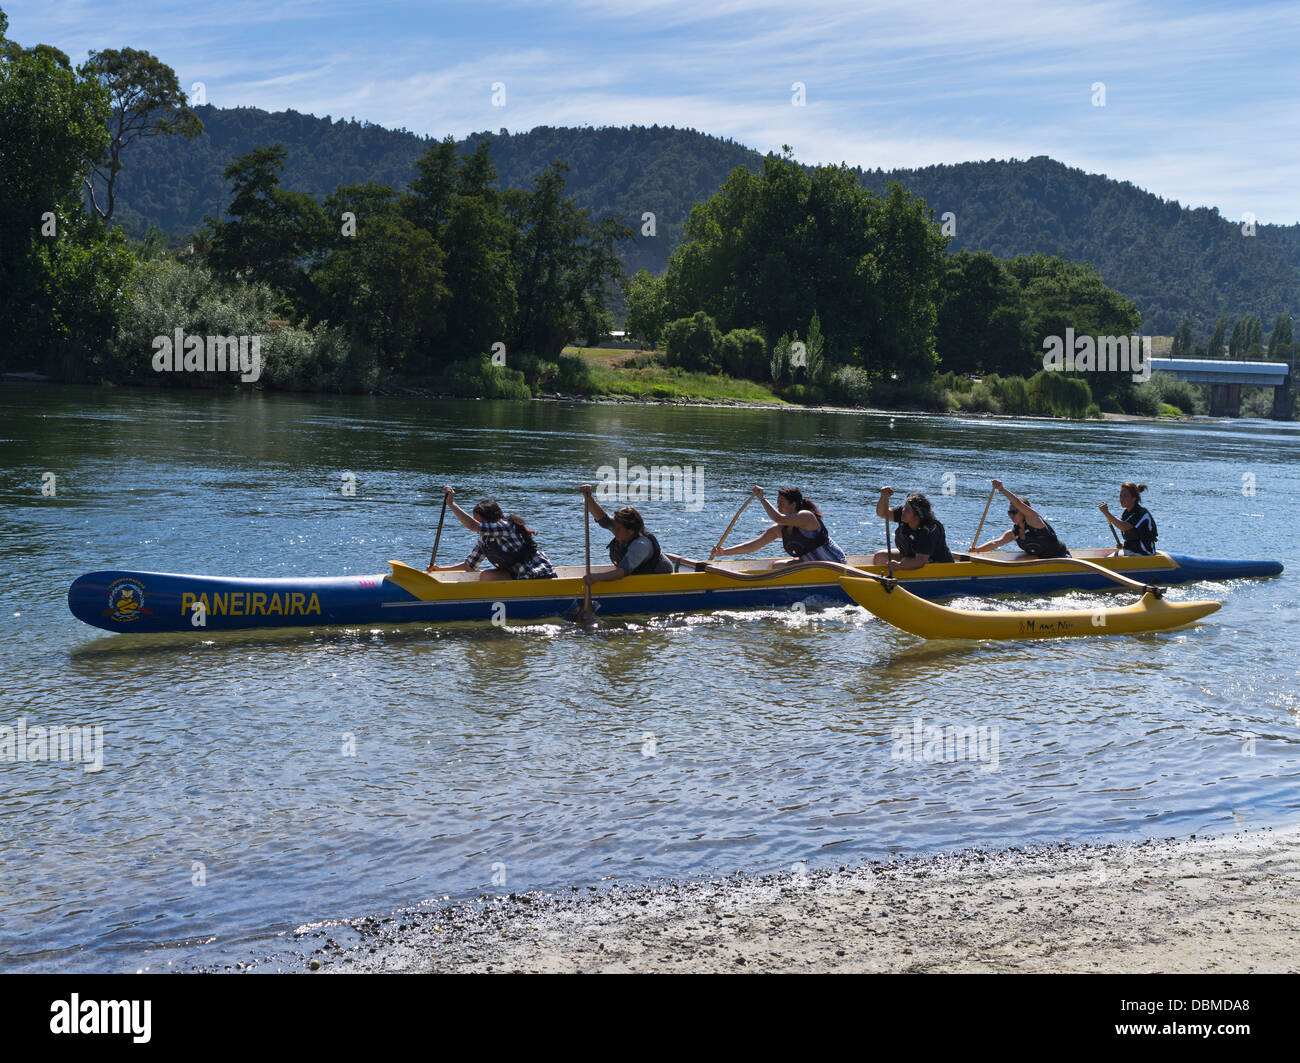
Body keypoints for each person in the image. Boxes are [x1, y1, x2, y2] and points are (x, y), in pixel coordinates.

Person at [426, 487, 556, 579]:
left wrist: (451, 504)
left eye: (480, 522)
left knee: (486, 576)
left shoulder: (505, 526)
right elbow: (469, 566)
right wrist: (439, 570)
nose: (480, 528)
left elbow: (472, 526)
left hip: (537, 574)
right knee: (486, 576)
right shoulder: (485, 539)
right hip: (518, 575)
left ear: (490, 519)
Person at [710, 486, 847, 566]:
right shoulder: (778, 529)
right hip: (810, 565)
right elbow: (753, 546)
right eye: (777, 502)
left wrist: (762, 499)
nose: (778, 505)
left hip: (832, 563)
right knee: (777, 566)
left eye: (782, 502)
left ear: (793, 505)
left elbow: (778, 518)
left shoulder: (807, 516)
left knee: (780, 566)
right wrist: (724, 552)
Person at [579, 485, 673, 583]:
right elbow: (603, 519)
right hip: (639, 576)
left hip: (660, 579)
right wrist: (589, 498)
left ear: (630, 530)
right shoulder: (621, 530)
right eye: (614, 527)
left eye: (618, 529)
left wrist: (596, 578)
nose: (614, 530)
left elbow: (622, 571)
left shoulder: (641, 545)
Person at [971, 479, 1070, 558]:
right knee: (1023, 558)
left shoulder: (1034, 520)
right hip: (1038, 561)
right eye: (1010, 512)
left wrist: (1001, 489)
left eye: (1014, 512)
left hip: (1060, 558)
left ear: (1024, 512)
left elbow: (1017, 503)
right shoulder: (1014, 533)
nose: (1012, 515)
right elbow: (995, 543)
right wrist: (976, 550)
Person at [872, 487, 954, 569]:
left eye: (907, 509)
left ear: (917, 515)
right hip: (912, 556)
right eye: (904, 507)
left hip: (938, 565)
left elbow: (920, 561)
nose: (903, 510)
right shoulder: (903, 514)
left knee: (905, 561)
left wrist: (899, 565)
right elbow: (882, 513)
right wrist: (883, 497)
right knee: (880, 557)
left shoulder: (929, 530)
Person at [1099, 482, 1158, 556]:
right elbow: (1133, 536)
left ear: (1134, 498)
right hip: (1134, 552)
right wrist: (1124, 546)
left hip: (1145, 553)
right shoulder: (1126, 514)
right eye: (1120, 496)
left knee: (1110, 559)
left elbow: (1123, 527)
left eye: (1125, 496)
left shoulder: (1141, 513)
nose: (1121, 499)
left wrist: (1107, 513)